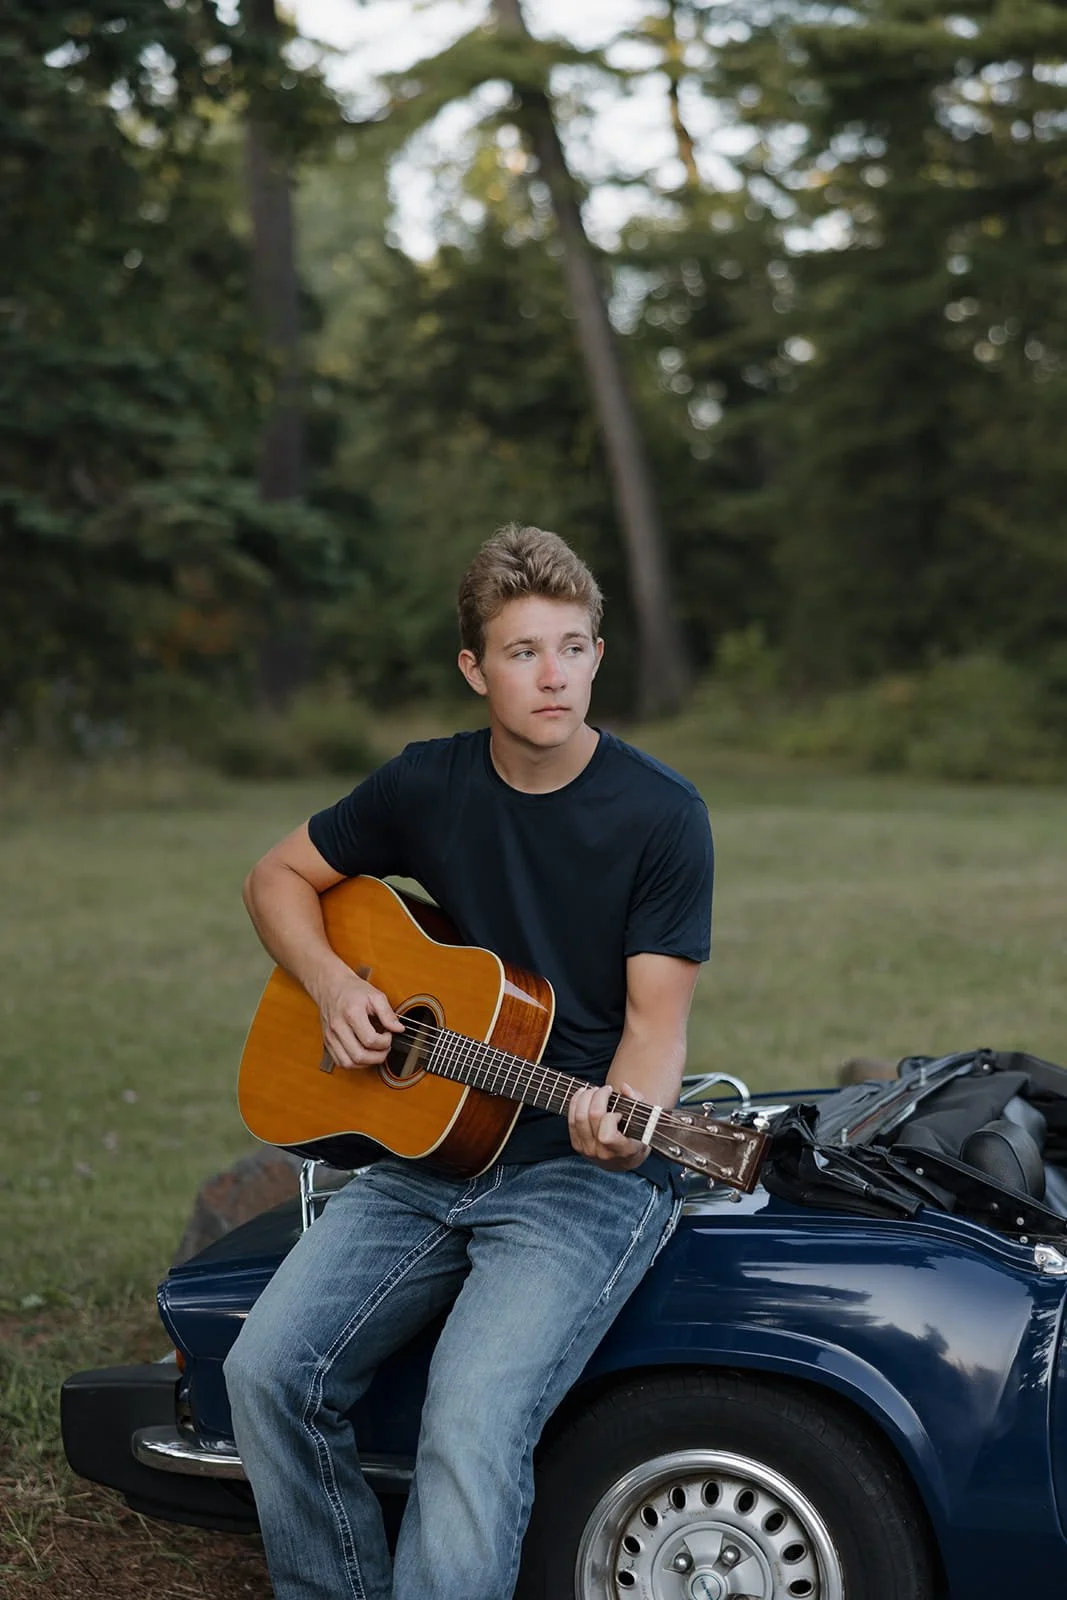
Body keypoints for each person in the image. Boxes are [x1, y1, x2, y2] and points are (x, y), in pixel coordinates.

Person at [224, 523, 714, 1600]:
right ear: (473, 668)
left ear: (597, 652)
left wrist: (624, 1116)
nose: (554, 675)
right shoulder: (424, 785)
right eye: (524, 651)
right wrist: (335, 984)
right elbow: (276, 878)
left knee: (469, 1416)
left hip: (576, 1176)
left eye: (573, 647)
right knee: (265, 1372)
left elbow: (654, 1027)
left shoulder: (662, 815)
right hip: (426, 1151)